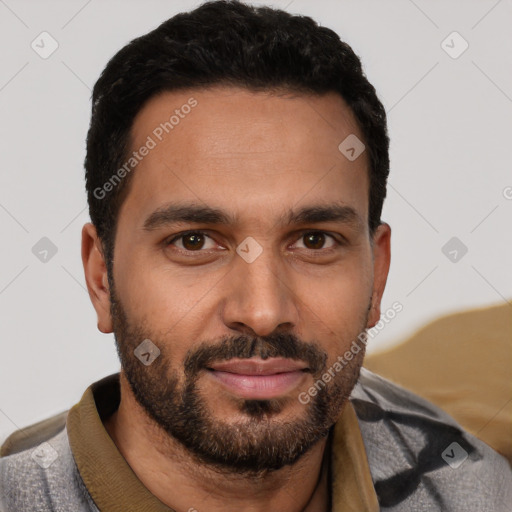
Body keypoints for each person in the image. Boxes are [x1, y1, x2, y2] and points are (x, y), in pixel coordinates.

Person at [1, 1, 510, 511]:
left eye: (314, 241)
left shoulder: (477, 490)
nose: (263, 312)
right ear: (101, 279)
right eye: (194, 242)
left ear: (377, 275)